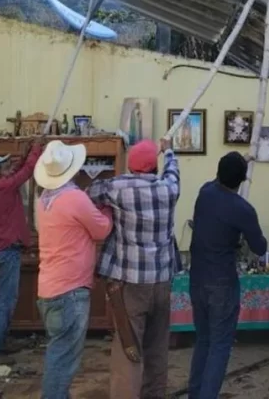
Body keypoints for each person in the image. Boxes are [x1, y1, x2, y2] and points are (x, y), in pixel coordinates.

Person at [88, 137, 180, 399]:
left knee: (129, 348)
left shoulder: (117, 187)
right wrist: (168, 149)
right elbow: (173, 169)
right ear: (154, 167)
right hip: (162, 281)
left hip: (130, 284)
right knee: (157, 348)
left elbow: (91, 194)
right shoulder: (169, 189)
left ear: (130, 166)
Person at [34, 140, 113, 399]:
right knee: (63, 360)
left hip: (48, 288)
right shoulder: (75, 198)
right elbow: (102, 229)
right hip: (70, 291)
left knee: (59, 354)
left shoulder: (43, 199)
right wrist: (107, 210)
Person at [187, 152, 268, 399]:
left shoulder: (205, 193)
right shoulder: (243, 209)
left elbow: (217, 181)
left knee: (203, 340)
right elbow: (260, 248)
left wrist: (238, 162)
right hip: (222, 282)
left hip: (197, 277)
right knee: (220, 345)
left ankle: (195, 394)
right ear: (242, 180)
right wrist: (242, 233)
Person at [0, 138, 43, 368]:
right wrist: (35, 150)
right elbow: (25, 172)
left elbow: (17, 170)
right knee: (5, 303)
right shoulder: (3, 186)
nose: (9, 168)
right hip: (6, 250)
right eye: (4, 167)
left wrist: (26, 153)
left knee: (3, 301)